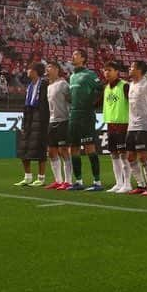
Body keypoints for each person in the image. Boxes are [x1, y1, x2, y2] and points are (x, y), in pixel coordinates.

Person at [67, 49, 104, 191]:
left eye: (76, 54)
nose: (73, 56)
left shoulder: (90, 74)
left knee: (89, 148)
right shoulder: (72, 77)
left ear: (83, 59)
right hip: (73, 116)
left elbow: (101, 89)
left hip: (86, 116)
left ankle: (97, 182)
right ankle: (79, 181)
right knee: (73, 148)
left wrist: (95, 104)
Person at [125, 61, 147, 195]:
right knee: (130, 157)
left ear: (139, 70)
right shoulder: (130, 85)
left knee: (143, 157)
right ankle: (140, 185)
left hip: (143, 125)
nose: (129, 69)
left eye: (132, 67)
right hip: (131, 125)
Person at [14, 62, 49, 187]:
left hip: (41, 120)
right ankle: (27, 177)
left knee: (40, 150)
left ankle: (41, 177)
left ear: (35, 71)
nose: (28, 71)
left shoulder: (44, 84)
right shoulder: (29, 86)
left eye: (30, 69)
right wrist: (24, 123)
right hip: (28, 119)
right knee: (24, 149)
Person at [101, 61, 131, 194]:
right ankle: (118, 183)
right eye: (105, 70)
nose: (106, 72)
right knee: (113, 155)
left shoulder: (124, 86)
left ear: (117, 71)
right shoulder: (106, 87)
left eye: (109, 70)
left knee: (123, 155)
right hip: (110, 124)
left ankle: (127, 183)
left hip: (123, 124)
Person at [44, 62, 74, 190]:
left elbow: (71, 99)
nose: (47, 70)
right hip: (52, 121)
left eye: (49, 67)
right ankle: (58, 180)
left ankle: (68, 181)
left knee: (63, 151)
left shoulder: (63, 84)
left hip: (63, 121)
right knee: (51, 152)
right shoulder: (49, 86)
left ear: (56, 70)